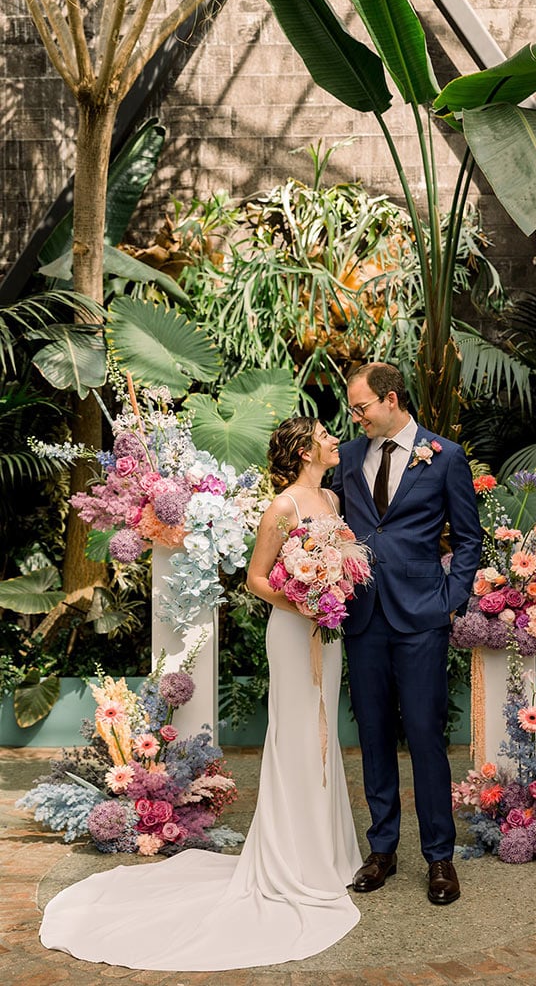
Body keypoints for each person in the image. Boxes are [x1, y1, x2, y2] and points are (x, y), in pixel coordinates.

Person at [39, 416, 363, 971]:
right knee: (295, 734)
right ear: (305, 447)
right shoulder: (281, 507)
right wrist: (305, 603)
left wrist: (337, 583)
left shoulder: (331, 498)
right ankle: (293, 860)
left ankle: (329, 855)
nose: (336, 440)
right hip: (294, 630)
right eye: (326, 435)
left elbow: (346, 558)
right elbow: (257, 578)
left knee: (322, 731)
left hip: (326, 632)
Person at [331, 362, 482, 905]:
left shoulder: (445, 457)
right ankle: (383, 850)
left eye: (361, 407)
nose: (356, 417)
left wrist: (450, 601)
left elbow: (468, 538)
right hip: (364, 618)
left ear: (391, 400)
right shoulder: (347, 458)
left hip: (422, 618)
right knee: (373, 736)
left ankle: (440, 858)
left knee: (425, 737)